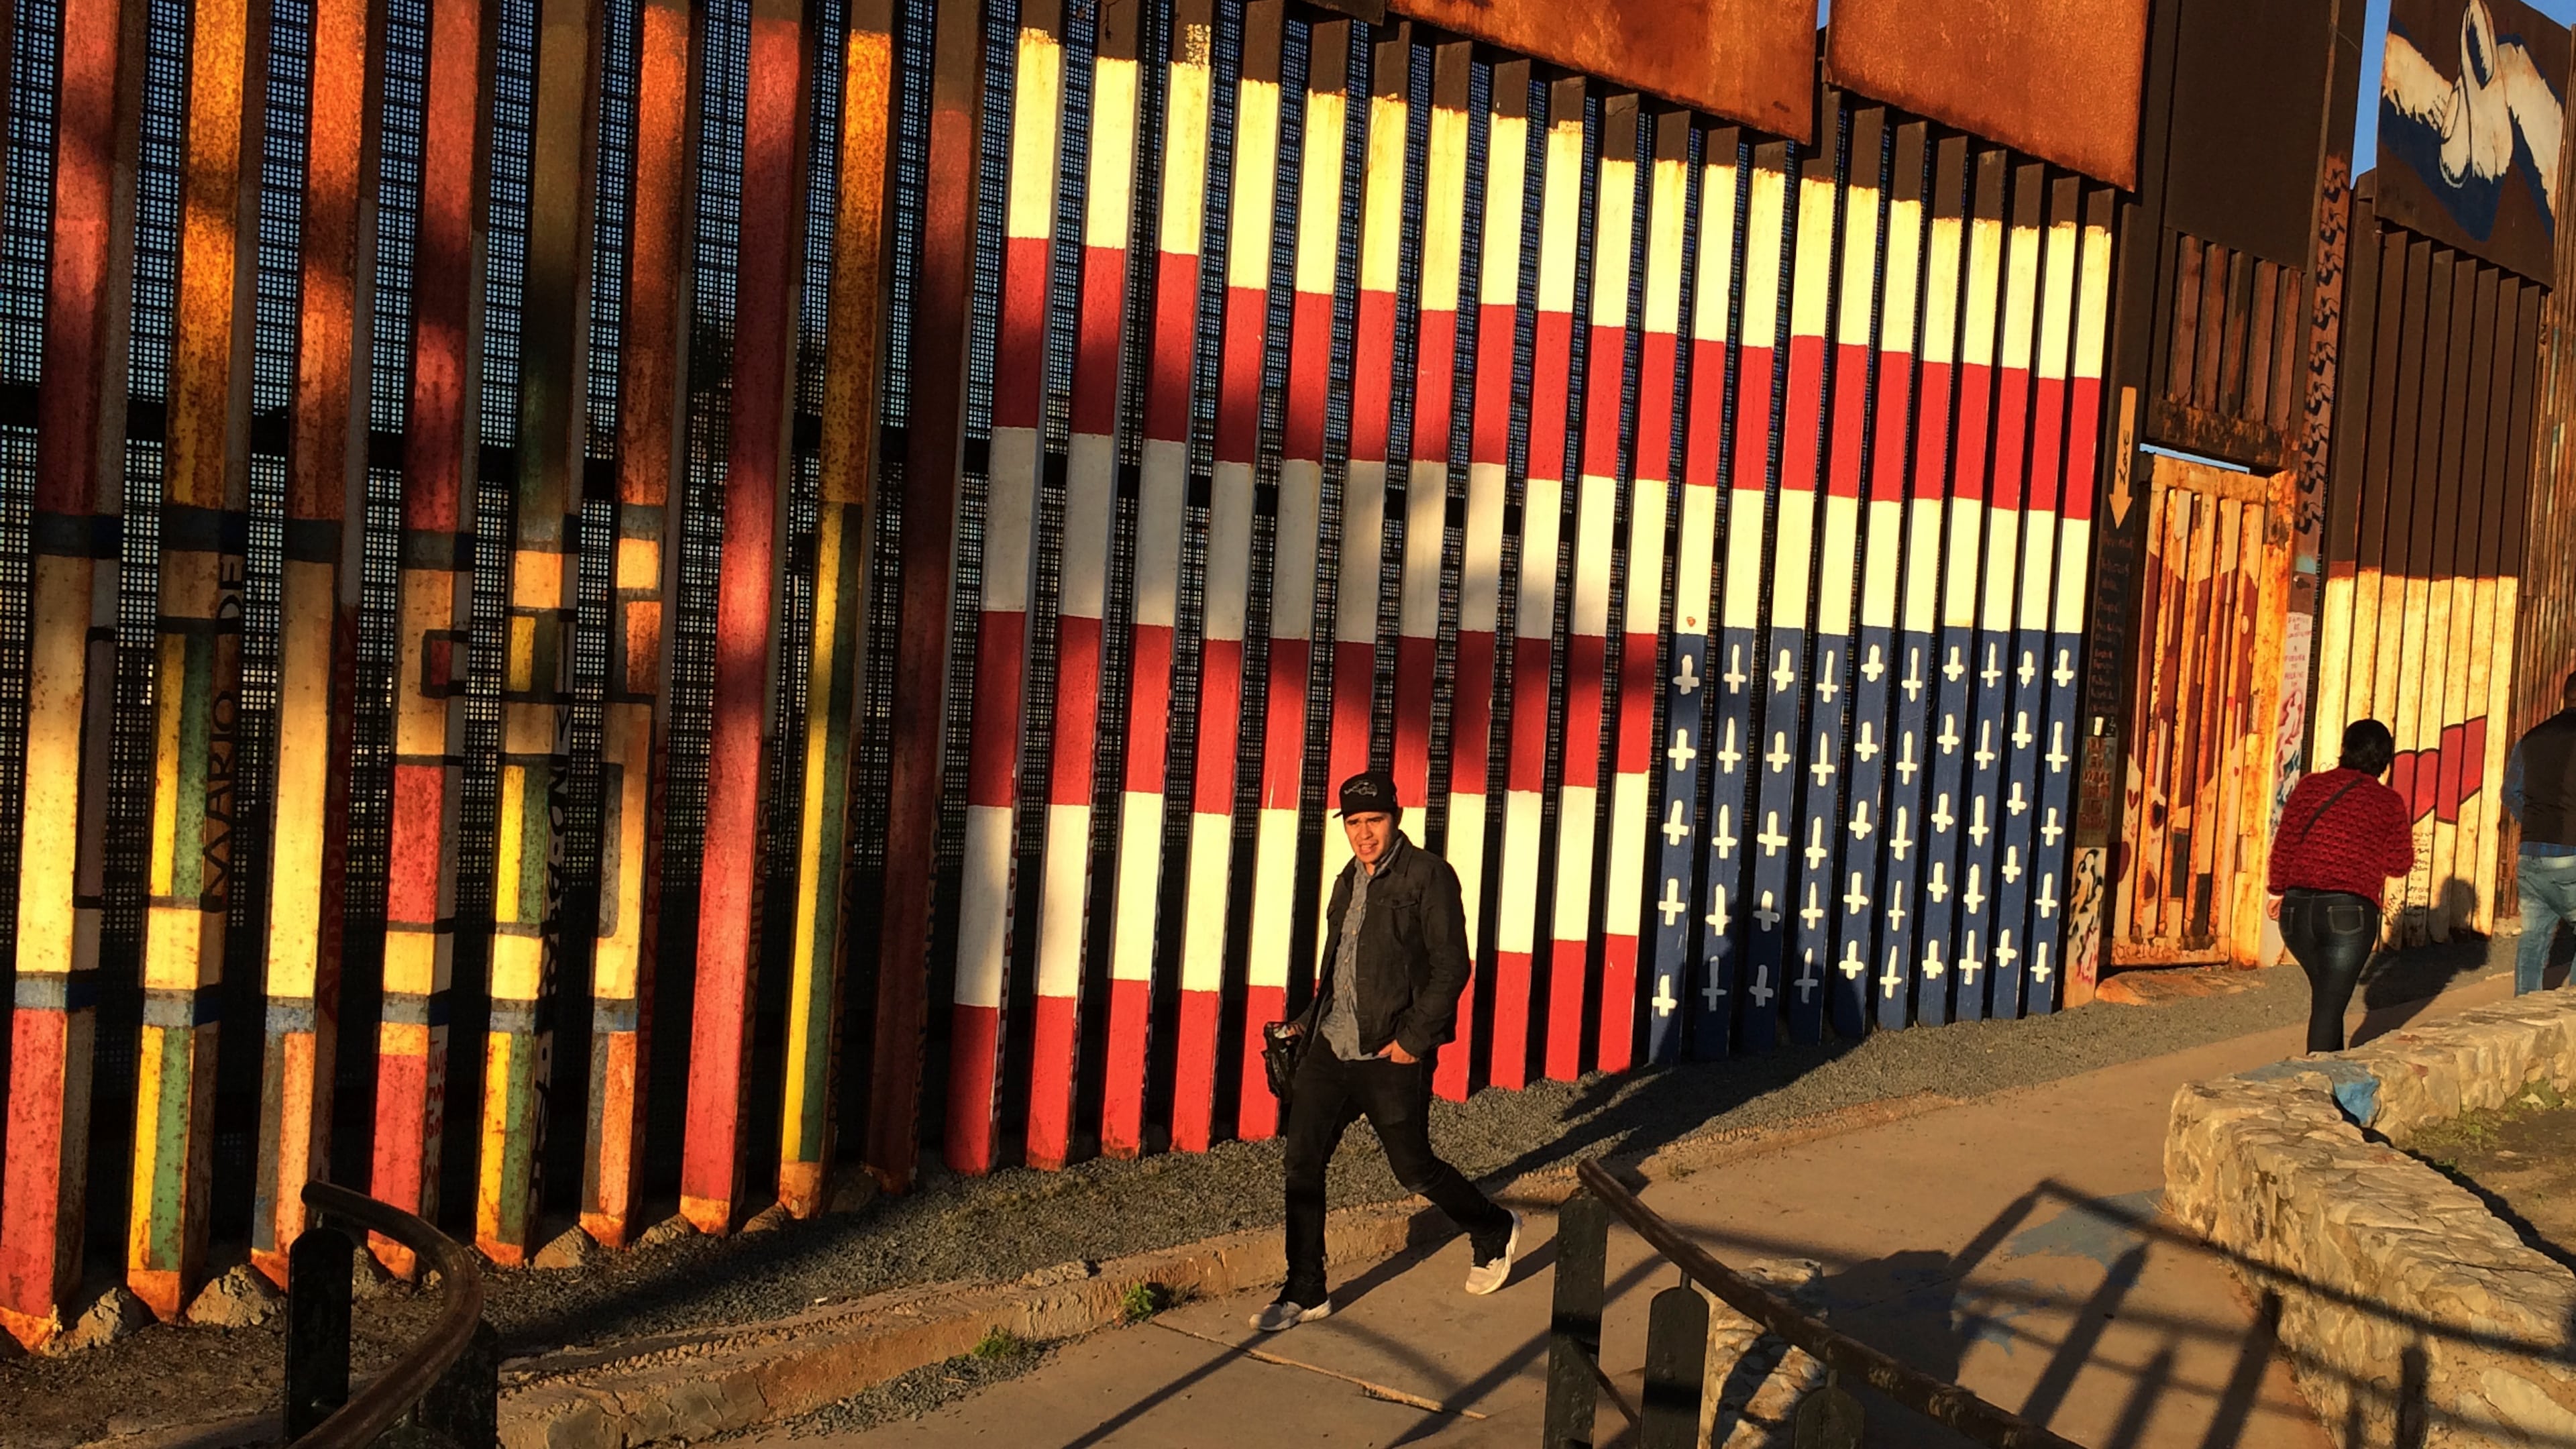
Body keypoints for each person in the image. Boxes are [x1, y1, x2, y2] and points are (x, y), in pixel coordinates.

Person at [1256, 770, 1521, 1333]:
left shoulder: (1429, 876)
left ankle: (1493, 1226)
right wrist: (1305, 1025)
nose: (1364, 834)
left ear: (1395, 817)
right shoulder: (1346, 882)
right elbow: (1339, 974)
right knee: (1302, 1163)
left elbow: (1452, 966)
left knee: (1414, 1169)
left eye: (1373, 820)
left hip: (1390, 1050)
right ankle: (1306, 1288)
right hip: (1332, 1045)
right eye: (1353, 823)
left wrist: (1413, 1040)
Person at [2267, 719, 2417, 1053]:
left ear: (2345, 748)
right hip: (2348, 915)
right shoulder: (2387, 802)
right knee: (2328, 1006)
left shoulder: (2309, 787)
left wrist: (2277, 890)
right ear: (2385, 758)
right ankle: (2317, 1090)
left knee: (2326, 1001)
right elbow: (2399, 864)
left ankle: (2333, 1077)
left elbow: (2285, 843)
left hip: (2296, 913)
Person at [2505, 668, 2576, 994]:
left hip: (2532, 853)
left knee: (2532, 941)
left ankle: (2520, 1014)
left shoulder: (2531, 739)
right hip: (2571, 854)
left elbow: (2510, 792)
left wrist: (2535, 821)